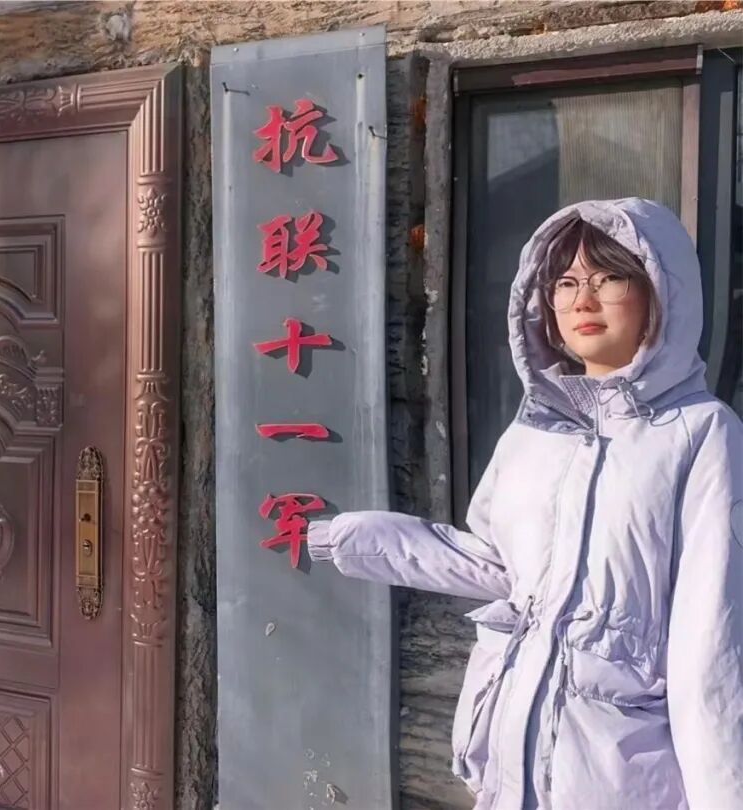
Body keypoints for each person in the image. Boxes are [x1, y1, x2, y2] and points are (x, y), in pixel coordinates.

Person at [307, 198, 743, 809]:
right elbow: (500, 567)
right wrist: (349, 539)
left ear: (660, 292)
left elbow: (710, 640)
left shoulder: (701, 432)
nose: (583, 300)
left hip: (615, 773)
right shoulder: (534, 432)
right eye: (565, 282)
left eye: (609, 278)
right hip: (508, 757)